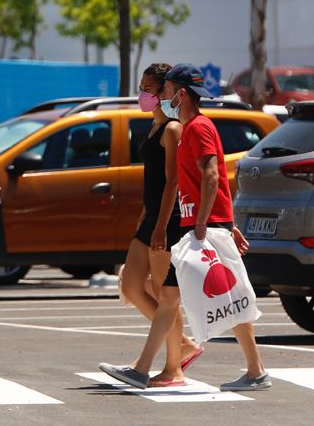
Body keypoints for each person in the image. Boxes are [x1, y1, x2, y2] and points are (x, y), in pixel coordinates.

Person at [100, 63, 270, 392]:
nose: (160, 95)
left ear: (180, 93)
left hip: (204, 227)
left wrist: (207, 225)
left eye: (164, 90)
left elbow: (212, 176)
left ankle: (148, 369)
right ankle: (250, 370)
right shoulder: (191, 127)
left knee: (224, 298)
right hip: (202, 224)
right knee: (182, 297)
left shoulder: (197, 128)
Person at [116, 63, 203, 385]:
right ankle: (183, 346)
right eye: (142, 88)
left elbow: (173, 182)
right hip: (150, 217)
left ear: (165, 93)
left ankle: (174, 365)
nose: (143, 95)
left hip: (168, 220)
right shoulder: (152, 128)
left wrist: (160, 225)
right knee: (130, 285)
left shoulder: (171, 129)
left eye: (149, 90)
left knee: (166, 296)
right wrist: (145, 217)